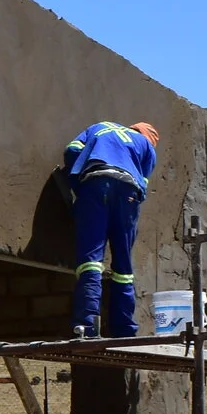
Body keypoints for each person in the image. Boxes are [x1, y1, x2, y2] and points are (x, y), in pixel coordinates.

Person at [61, 120, 160, 337]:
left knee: (91, 260)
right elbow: (141, 183)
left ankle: (87, 326)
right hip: (128, 193)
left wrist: (76, 182)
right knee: (123, 266)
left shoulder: (101, 126)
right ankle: (124, 328)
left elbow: (72, 150)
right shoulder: (146, 147)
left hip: (95, 183)